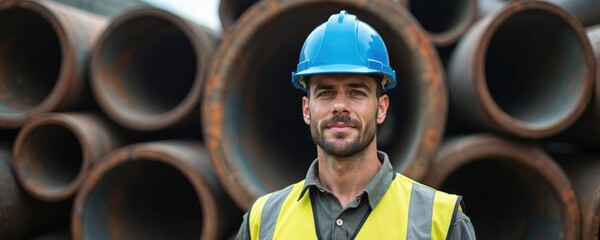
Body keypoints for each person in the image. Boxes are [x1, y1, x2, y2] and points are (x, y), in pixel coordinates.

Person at [236, 10, 476, 239]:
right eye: (326, 93)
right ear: (306, 110)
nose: (340, 106)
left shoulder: (442, 222)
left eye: (356, 92)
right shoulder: (262, 221)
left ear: (381, 108)